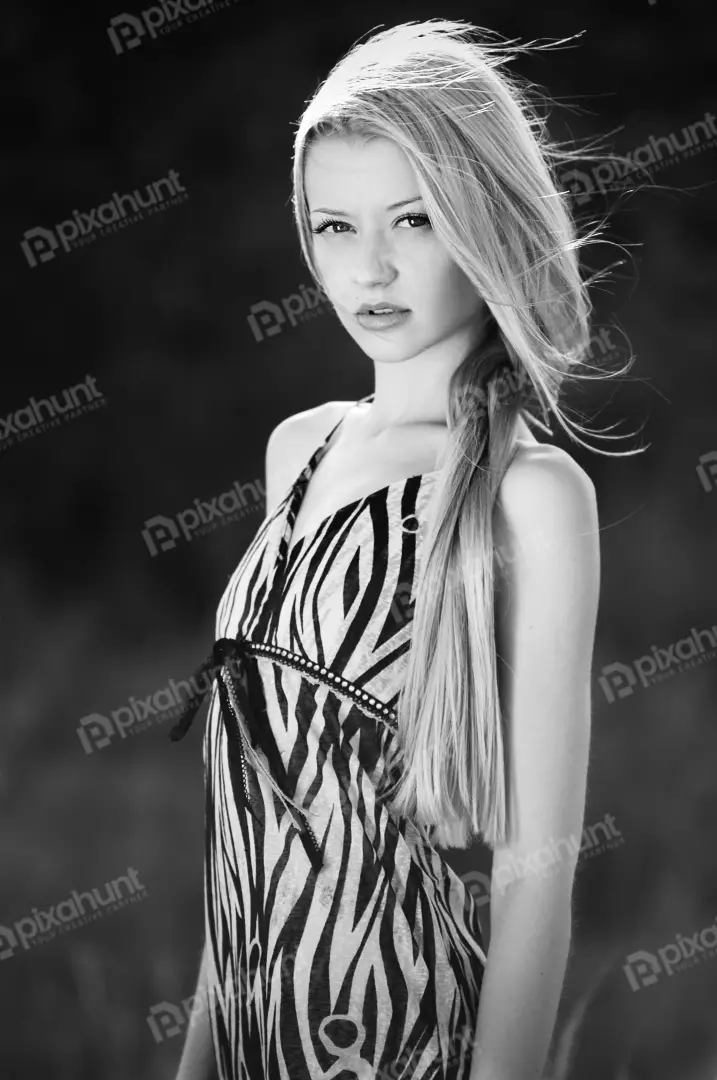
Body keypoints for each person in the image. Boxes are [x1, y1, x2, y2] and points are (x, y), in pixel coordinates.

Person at [172, 18, 628, 1080]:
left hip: (401, 1039)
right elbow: (250, 819)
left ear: (484, 218)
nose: (368, 269)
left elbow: (537, 876)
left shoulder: (533, 494)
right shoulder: (301, 451)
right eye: (334, 227)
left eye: (413, 220)